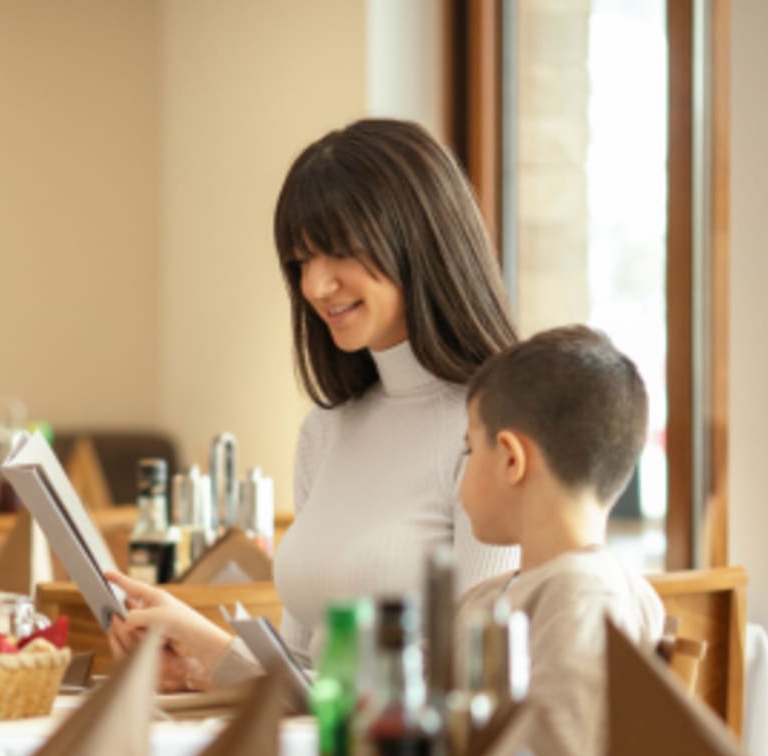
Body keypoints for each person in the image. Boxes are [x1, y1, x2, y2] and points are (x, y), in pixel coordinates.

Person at [110, 118, 519, 690]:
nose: (317, 286)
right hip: (320, 750)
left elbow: (473, 678)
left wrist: (217, 648)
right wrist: (202, 660)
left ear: (419, 240)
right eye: (301, 261)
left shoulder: (493, 430)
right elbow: (302, 675)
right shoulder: (326, 432)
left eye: (339, 252)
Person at [454, 325, 664, 756]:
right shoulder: (494, 594)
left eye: (469, 450)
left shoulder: (585, 594)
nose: (461, 475)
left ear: (512, 459)